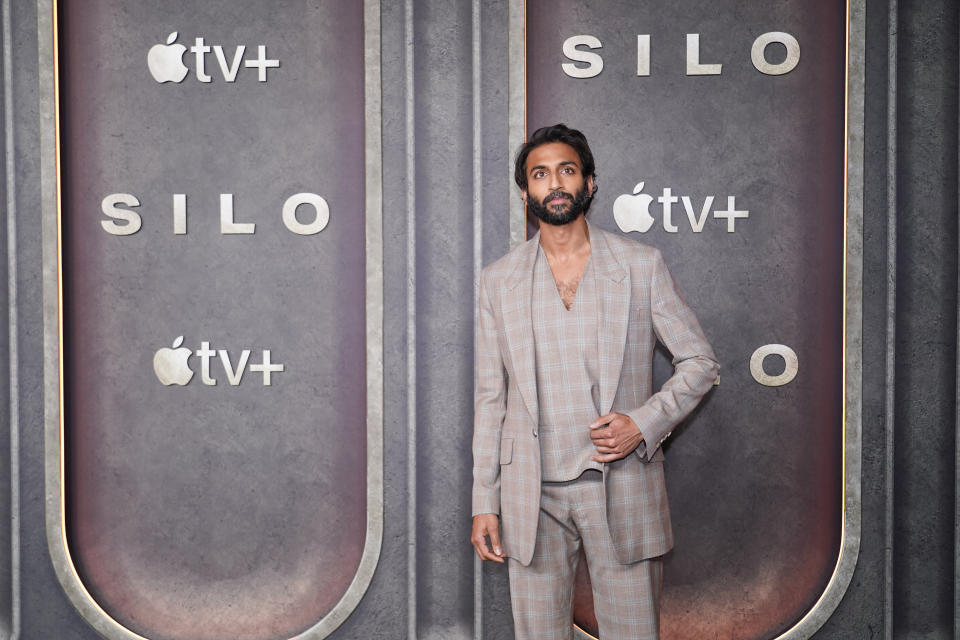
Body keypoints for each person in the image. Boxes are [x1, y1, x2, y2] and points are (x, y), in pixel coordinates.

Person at [470, 124, 719, 639]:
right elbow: (491, 399)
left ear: (590, 183)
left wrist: (643, 423)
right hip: (529, 497)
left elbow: (700, 362)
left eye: (567, 170)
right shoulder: (498, 281)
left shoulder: (639, 266)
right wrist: (484, 502)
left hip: (622, 487)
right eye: (540, 174)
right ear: (526, 193)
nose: (554, 183)